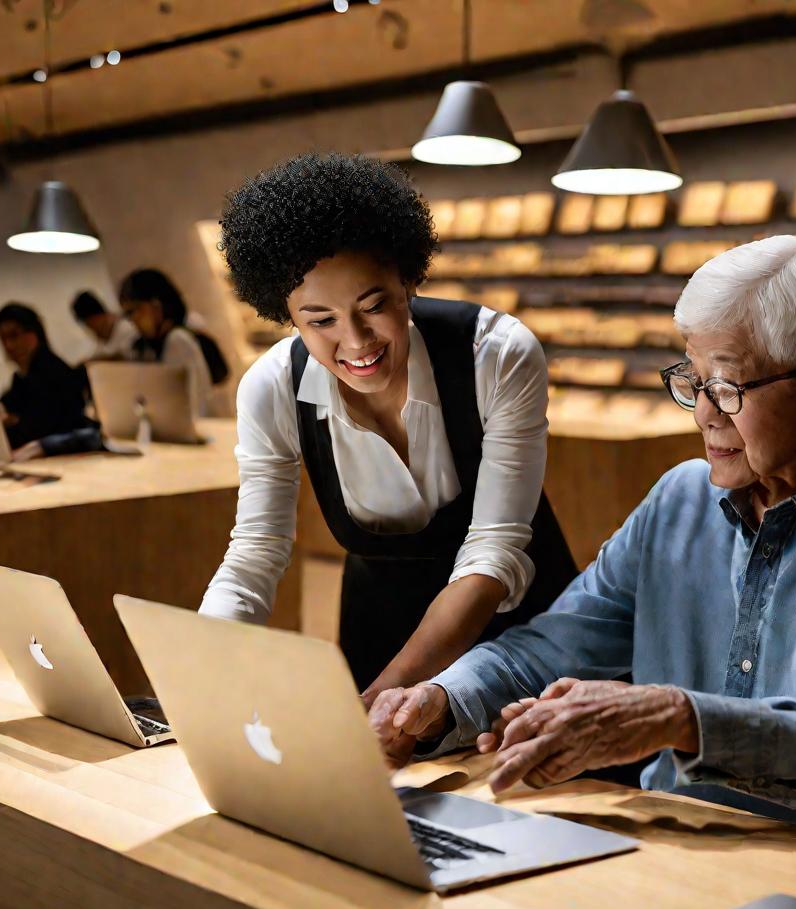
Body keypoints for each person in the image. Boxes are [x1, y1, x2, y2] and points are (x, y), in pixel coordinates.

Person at [370, 236, 796, 879]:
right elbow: (546, 647)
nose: (703, 414)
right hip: (687, 857)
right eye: (692, 381)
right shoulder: (679, 497)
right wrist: (438, 699)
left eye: (728, 387)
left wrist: (678, 719)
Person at [199, 152, 577, 697]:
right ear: (287, 316)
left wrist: (382, 699)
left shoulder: (495, 355)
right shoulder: (272, 387)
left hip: (516, 634)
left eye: (373, 306)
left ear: (408, 282)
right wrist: (200, 665)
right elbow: (256, 552)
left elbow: (492, 554)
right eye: (320, 320)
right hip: (377, 627)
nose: (355, 342)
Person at [0, 303, 102, 460]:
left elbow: (44, 426)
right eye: (3, 339)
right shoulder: (20, 378)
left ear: (34, 333)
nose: (9, 345)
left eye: (14, 335)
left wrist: (16, 421)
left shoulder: (54, 371)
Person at [117, 269, 214, 414]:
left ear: (156, 306)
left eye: (134, 311)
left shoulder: (177, 340)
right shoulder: (162, 343)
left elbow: (196, 405)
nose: (133, 320)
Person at [71, 291, 141, 358]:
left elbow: (126, 357)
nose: (96, 332)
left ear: (102, 316)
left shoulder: (128, 327)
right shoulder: (101, 341)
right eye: (91, 328)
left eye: (96, 327)